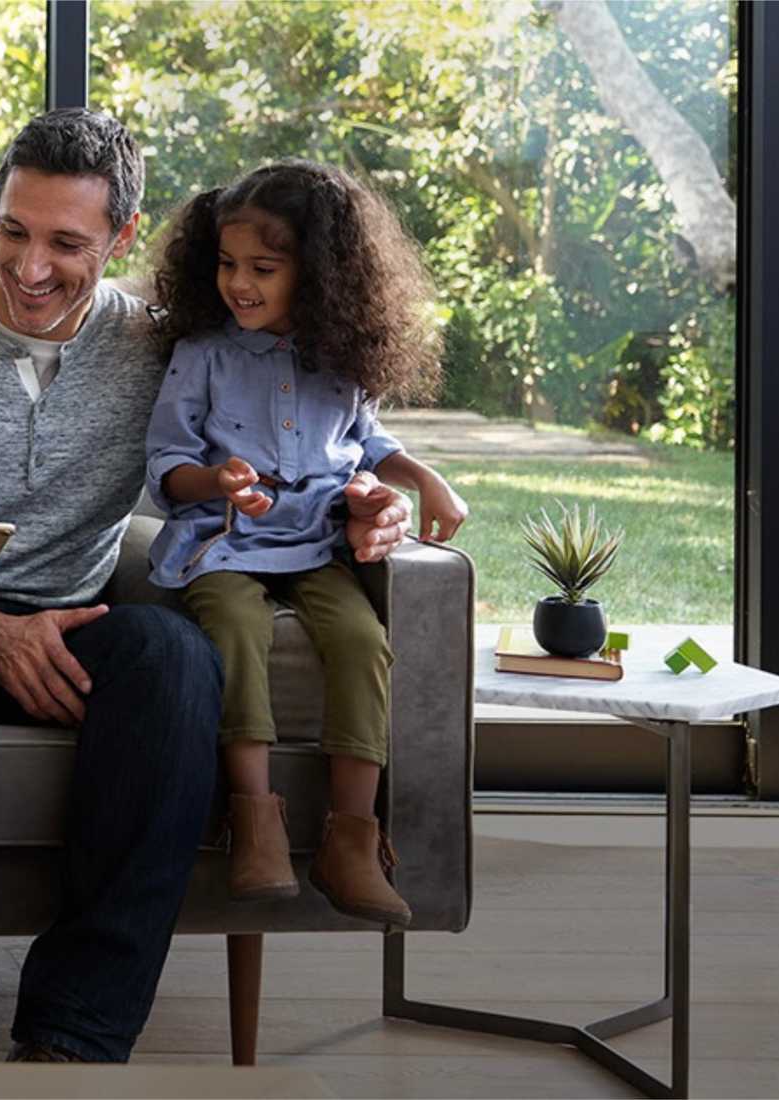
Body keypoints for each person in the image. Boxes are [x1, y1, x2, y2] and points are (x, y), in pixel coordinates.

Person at [0, 110, 415, 1064]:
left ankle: (75, 1036)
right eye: (14, 229)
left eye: (66, 243)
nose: (31, 265)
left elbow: (309, 435)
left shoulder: (163, 347)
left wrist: (375, 508)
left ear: (122, 239)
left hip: (74, 623)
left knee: (174, 656)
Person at [145, 160, 469, 927]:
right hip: (224, 541)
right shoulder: (206, 353)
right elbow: (166, 465)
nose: (239, 284)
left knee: (362, 641)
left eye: (263, 267)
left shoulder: (342, 356)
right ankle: (254, 820)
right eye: (227, 265)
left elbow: (365, 440)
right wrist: (217, 482)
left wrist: (423, 477)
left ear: (319, 273)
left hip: (317, 542)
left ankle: (353, 841)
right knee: (233, 626)